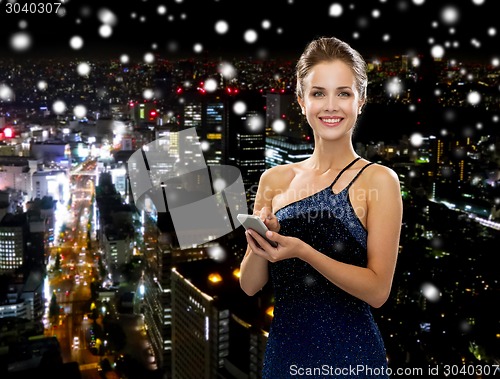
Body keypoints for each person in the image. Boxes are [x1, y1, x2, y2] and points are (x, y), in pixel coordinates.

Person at [239, 36, 403, 378]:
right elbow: (250, 285)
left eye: (343, 93)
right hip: (285, 355)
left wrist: (303, 251)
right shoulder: (273, 180)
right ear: (301, 101)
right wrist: (261, 242)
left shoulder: (379, 180)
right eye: (318, 93)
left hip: (352, 358)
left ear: (361, 101)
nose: (331, 106)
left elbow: (377, 291)